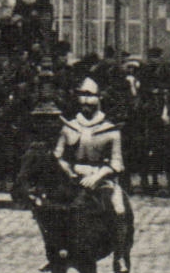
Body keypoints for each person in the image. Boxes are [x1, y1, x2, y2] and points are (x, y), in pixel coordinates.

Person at [53, 75, 126, 217]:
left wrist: (98, 176)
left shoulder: (110, 129)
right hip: (73, 176)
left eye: (90, 96)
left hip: (101, 178)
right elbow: (58, 156)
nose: (85, 101)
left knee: (117, 209)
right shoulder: (69, 127)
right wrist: (68, 171)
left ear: (99, 99)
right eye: (82, 96)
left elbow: (116, 162)